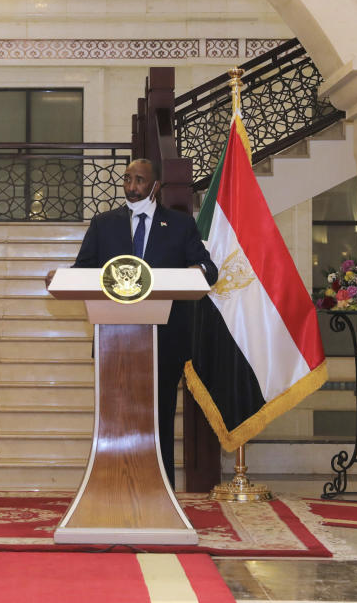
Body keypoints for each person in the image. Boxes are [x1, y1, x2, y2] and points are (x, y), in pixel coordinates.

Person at [72, 157, 217, 487]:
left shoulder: (180, 225)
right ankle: (112, 487)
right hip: (114, 339)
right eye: (126, 179)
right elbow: (84, 269)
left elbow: (209, 268)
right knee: (116, 420)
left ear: (156, 186)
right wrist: (66, 277)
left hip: (164, 342)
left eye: (139, 180)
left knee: (159, 418)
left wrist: (195, 272)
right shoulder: (104, 224)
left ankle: (159, 488)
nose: (131, 187)